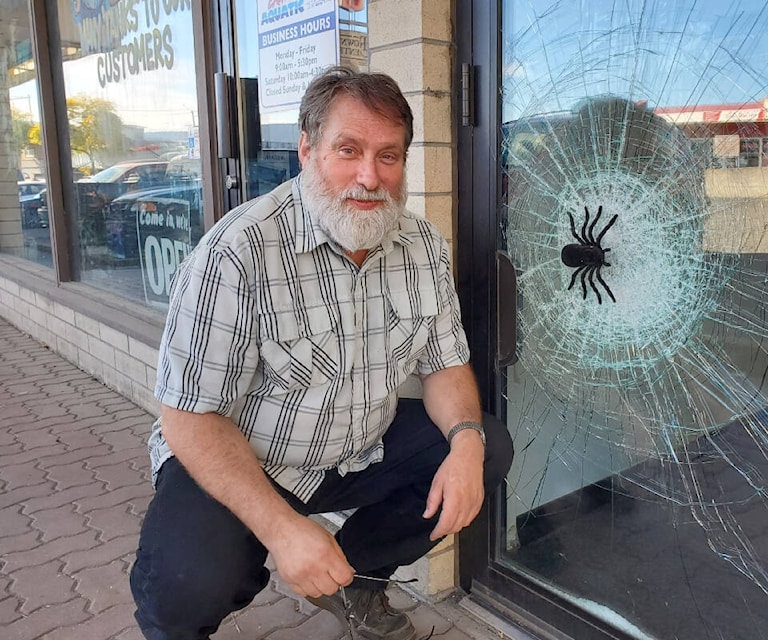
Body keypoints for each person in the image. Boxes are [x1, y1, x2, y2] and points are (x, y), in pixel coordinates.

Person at [129, 66, 514, 640]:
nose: (369, 176)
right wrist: (282, 530)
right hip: (250, 459)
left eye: (389, 155)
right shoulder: (236, 253)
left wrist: (464, 444)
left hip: (359, 445)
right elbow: (187, 417)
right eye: (348, 150)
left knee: (487, 446)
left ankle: (355, 579)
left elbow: (445, 363)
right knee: (186, 585)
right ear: (307, 150)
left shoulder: (421, 245)